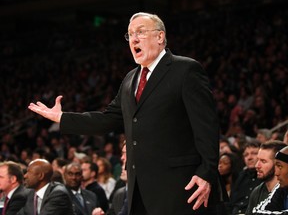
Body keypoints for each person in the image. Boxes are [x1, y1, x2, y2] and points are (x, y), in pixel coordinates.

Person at [28, 12, 226, 215]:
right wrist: (62, 118)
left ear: (160, 37)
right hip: (139, 190)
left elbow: (207, 126)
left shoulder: (185, 69)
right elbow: (108, 120)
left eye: (140, 32)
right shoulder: (131, 78)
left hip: (181, 187)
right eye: (130, 34)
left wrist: (206, 172)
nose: (134, 39)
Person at [245, 140, 287, 215]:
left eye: (263, 161)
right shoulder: (257, 191)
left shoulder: (282, 188)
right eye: (258, 160)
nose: (257, 166)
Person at [229, 141, 261, 214]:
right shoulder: (238, 176)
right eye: (246, 155)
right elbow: (231, 203)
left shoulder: (267, 176)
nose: (249, 158)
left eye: (254, 153)